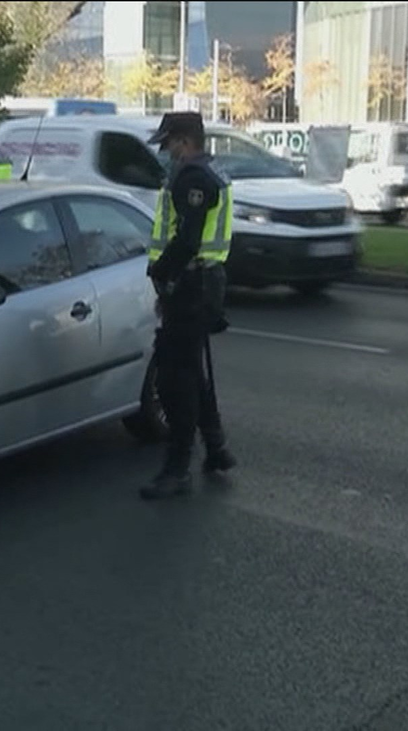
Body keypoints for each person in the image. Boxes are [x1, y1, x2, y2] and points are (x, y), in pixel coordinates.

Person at [140, 111, 237, 500]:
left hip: (189, 284)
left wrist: (162, 274)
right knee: (192, 372)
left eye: (169, 144)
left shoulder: (193, 179)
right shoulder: (212, 173)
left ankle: (176, 468)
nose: (167, 152)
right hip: (203, 283)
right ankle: (216, 448)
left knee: (173, 380)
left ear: (184, 140)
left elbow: (187, 240)